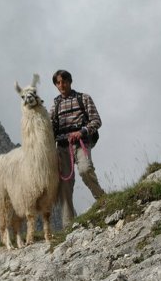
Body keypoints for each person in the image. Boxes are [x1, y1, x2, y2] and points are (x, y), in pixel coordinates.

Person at [49, 69, 106, 228]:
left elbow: (96, 121)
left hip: (81, 143)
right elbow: (50, 127)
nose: (62, 85)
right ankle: (68, 226)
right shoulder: (55, 105)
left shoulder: (84, 98)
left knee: (85, 169)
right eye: (58, 83)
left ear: (70, 81)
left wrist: (81, 132)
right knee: (65, 187)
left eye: (64, 81)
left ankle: (102, 199)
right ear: (55, 85)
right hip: (62, 147)